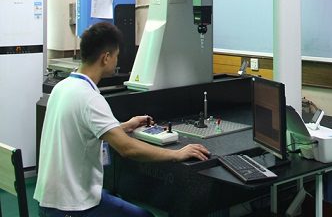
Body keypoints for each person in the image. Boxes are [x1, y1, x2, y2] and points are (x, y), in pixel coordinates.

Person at [34, 22, 210, 216]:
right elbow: (127, 148)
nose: (116, 60)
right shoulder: (90, 98)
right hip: (72, 207)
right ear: (106, 58)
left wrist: (123, 126)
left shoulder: (63, 87)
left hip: (48, 201)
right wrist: (177, 154)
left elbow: (80, 127)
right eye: (116, 55)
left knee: (114, 198)